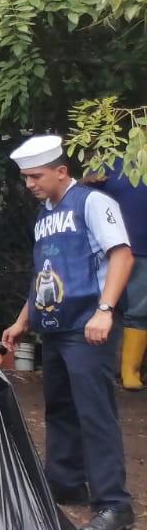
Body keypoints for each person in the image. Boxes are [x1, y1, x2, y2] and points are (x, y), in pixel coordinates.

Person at [1, 136, 135, 530]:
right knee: (59, 407)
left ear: (62, 171)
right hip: (54, 327)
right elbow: (43, 273)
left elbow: (122, 254)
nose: (29, 184)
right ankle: (64, 482)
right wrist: (22, 319)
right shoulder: (44, 216)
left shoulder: (93, 203)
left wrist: (106, 310)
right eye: (25, 177)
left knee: (95, 413)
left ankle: (114, 502)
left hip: (88, 325)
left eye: (36, 176)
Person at [85, 160, 147, 391]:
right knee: (102, 304)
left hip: (143, 250)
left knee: (139, 310)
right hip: (109, 248)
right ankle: (103, 367)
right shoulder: (112, 161)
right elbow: (82, 192)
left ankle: (130, 370)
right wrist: (88, 180)